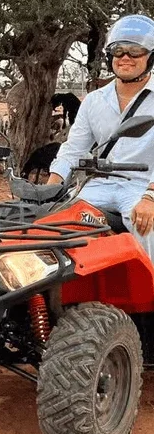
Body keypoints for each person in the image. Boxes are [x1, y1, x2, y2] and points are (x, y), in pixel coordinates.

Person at [47, 14, 154, 260]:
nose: (125, 57)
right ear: (109, 56)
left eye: (135, 51)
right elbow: (73, 149)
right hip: (98, 185)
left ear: (150, 56)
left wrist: (150, 197)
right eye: (118, 51)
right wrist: (51, 185)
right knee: (52, 223)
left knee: (147, 227)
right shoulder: (95, 100)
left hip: (142, 187)